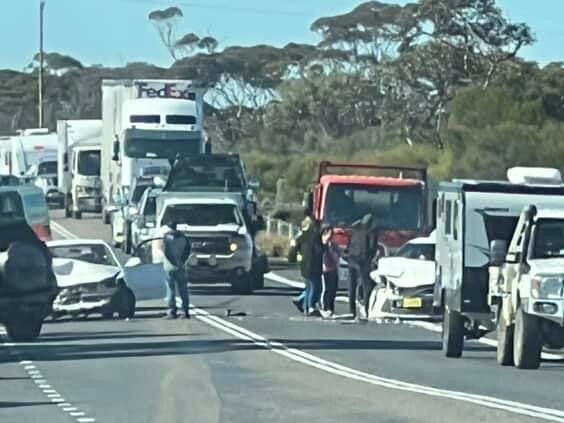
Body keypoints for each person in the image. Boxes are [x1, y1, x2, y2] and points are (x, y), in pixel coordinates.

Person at [346, 213, 377, 319]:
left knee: (352, 287)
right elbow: (373, 247)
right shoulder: (371, 232)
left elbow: (348, 245)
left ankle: (352, 311)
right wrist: (370, 258)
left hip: (351, 260)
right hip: (363, 261)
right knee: (366, 286)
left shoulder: (354, 229)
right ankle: (366, 309)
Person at [160, 219, 192, 319]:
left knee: (170, 289)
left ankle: (172, 311)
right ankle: (185, 311)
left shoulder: (166, 237)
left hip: (169, 267)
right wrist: (181, 261)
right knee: (183, 289)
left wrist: (173, 262)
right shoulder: (183, 237)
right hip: (181, 266)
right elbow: (188, 250)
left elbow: (165, 251)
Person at [292, 217, 323, 316]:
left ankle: (305, 306)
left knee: (309, 286)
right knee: (315, 287)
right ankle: (310, 307)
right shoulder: (315, 236)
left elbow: (295, 247)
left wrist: (292, 257)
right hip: (314, 265)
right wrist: (325, 247)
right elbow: (318, 251)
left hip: (304, 265)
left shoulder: (302, 236)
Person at [320, 223, 340, 318]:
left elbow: (338, 254)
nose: (331, 235)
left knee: (333, 290)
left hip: (333, 269)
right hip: (325, 269)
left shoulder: (333, 244)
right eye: (329, 232)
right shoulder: (321, 243)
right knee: (326, 289)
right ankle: (324, 307)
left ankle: (330, 308)